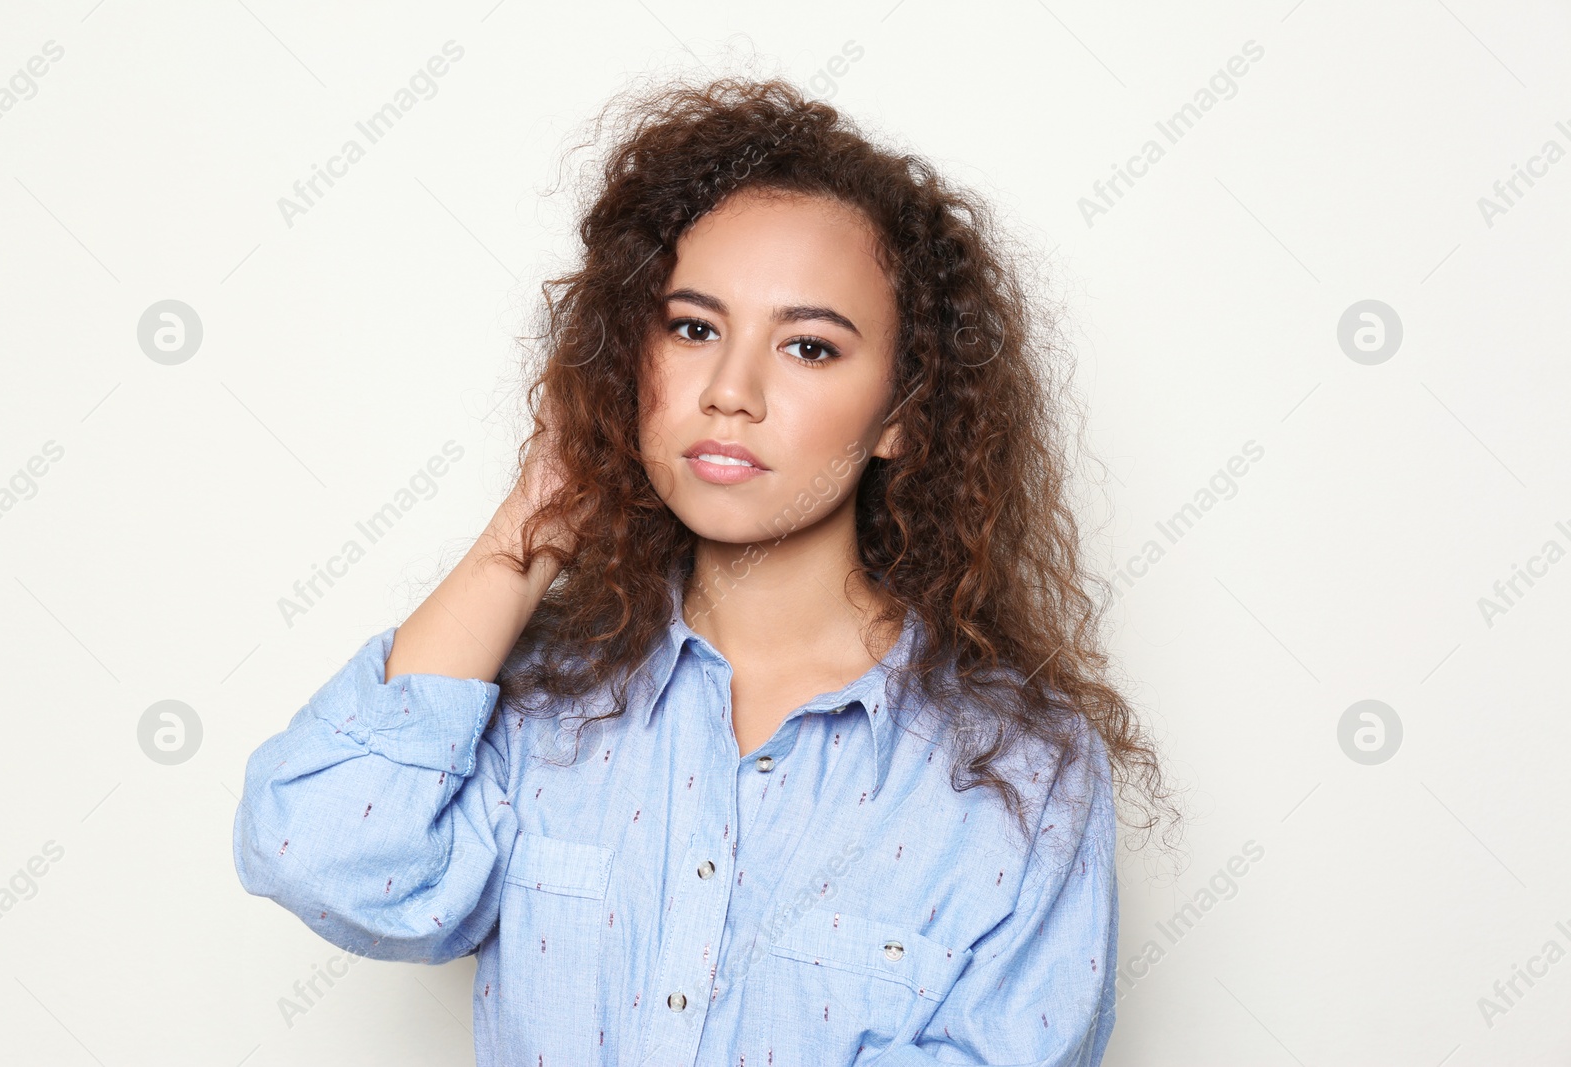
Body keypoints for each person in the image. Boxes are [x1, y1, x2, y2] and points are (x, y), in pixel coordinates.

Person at [233, 72, 1177, 1066]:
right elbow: (321, 853)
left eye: (809, 347)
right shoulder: (538, 703)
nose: (731, 390)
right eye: (692, 328)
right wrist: (532, 523)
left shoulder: (1023, 769)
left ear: (902, 414)